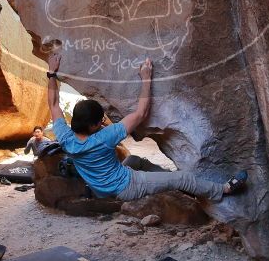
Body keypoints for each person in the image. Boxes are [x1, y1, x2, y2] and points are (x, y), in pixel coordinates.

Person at [45, 54, 247, 201]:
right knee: (183, 177)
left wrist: (51, 73)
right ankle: (222, 190)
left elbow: (53, 104)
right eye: (101, 120)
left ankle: (170, 181)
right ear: (94, 125)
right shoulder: (104, 138)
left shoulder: (65, 137)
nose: (103, 122)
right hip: (126, 186)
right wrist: (146, 77)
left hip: (101, 188)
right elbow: (141, 113)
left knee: (135, 160)